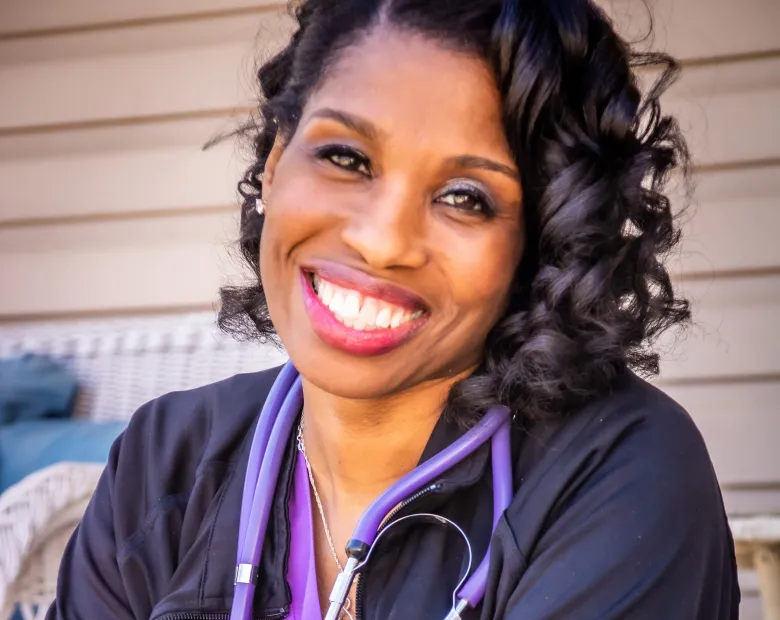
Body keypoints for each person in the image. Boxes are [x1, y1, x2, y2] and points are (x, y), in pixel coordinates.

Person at [46, 0, 740, 618]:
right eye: (346, 157)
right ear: (275, 161)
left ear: (539, 245)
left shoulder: (622, 475)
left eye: (466, 197)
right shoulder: (164, 461)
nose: (381, 241)